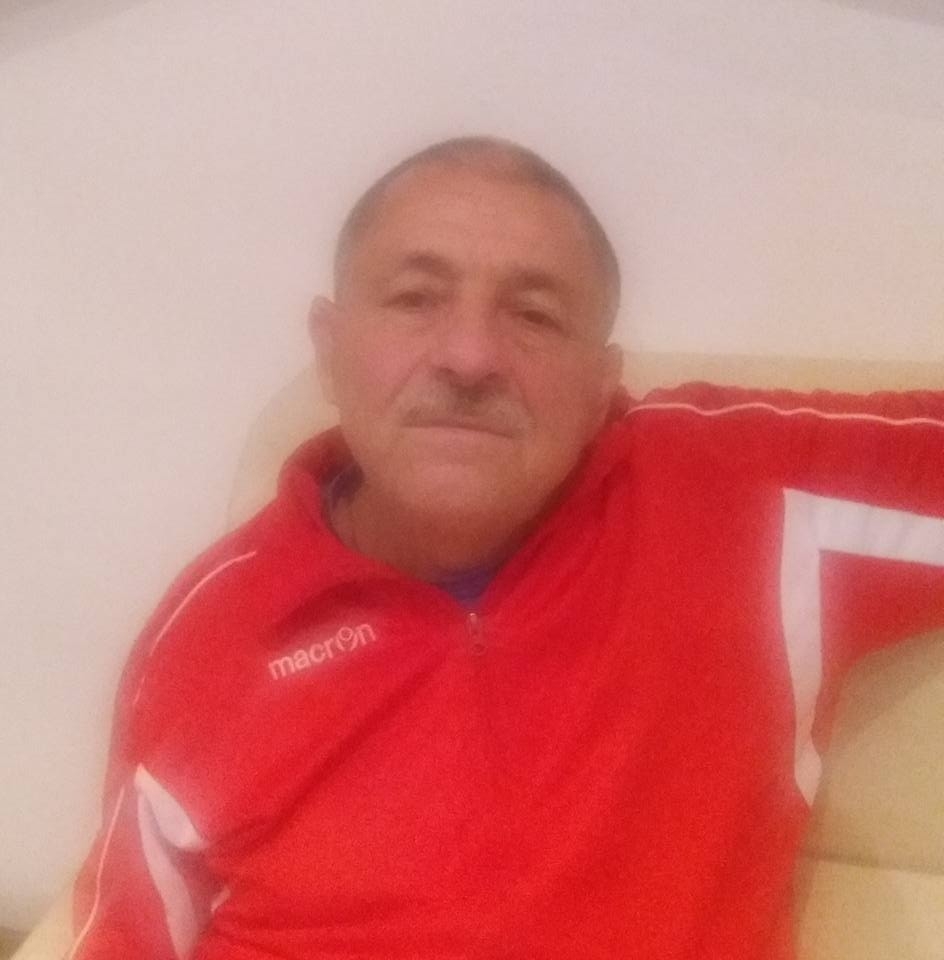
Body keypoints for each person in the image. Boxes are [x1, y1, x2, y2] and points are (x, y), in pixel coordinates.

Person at [59, 137, 944, 959]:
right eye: (416, 299)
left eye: (535, 315)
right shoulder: (208, 634)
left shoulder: (739, 493)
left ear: (601, 383)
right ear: (330, 349)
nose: (471, 355)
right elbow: (125, 938)